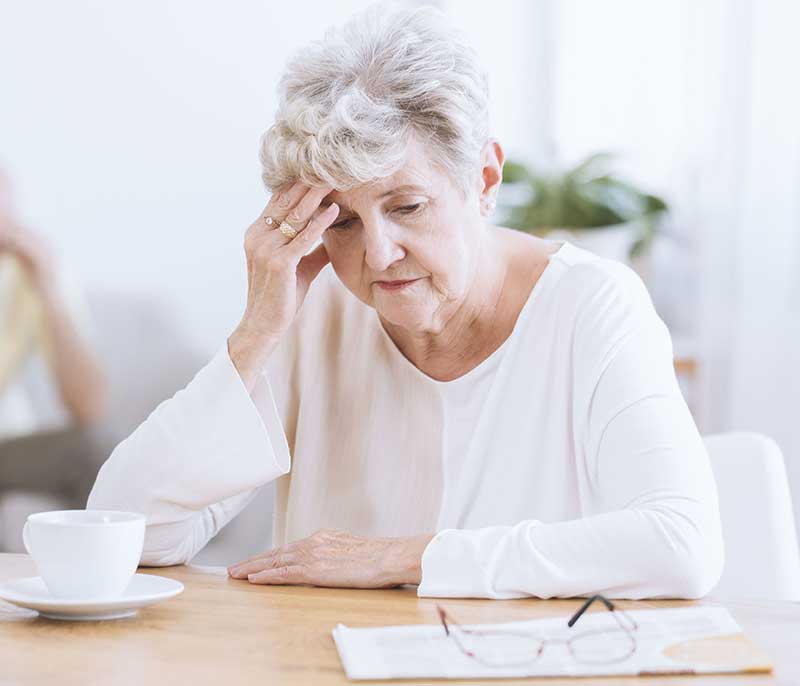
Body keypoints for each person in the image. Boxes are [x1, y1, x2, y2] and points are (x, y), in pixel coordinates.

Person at [87, 5, 724, 599]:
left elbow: (681, 544)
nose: (379, 254)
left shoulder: (592, 305)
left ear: (483, 181)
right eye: (342, 222)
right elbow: (128, 532)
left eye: (408, 207)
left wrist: (404, 558)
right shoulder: (315, 310)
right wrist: (255, 333)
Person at [0, 169, 106, 551]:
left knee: (92, 448)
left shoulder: (32, 272)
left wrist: (45, 283)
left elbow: (89, 408)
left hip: (7, 447)